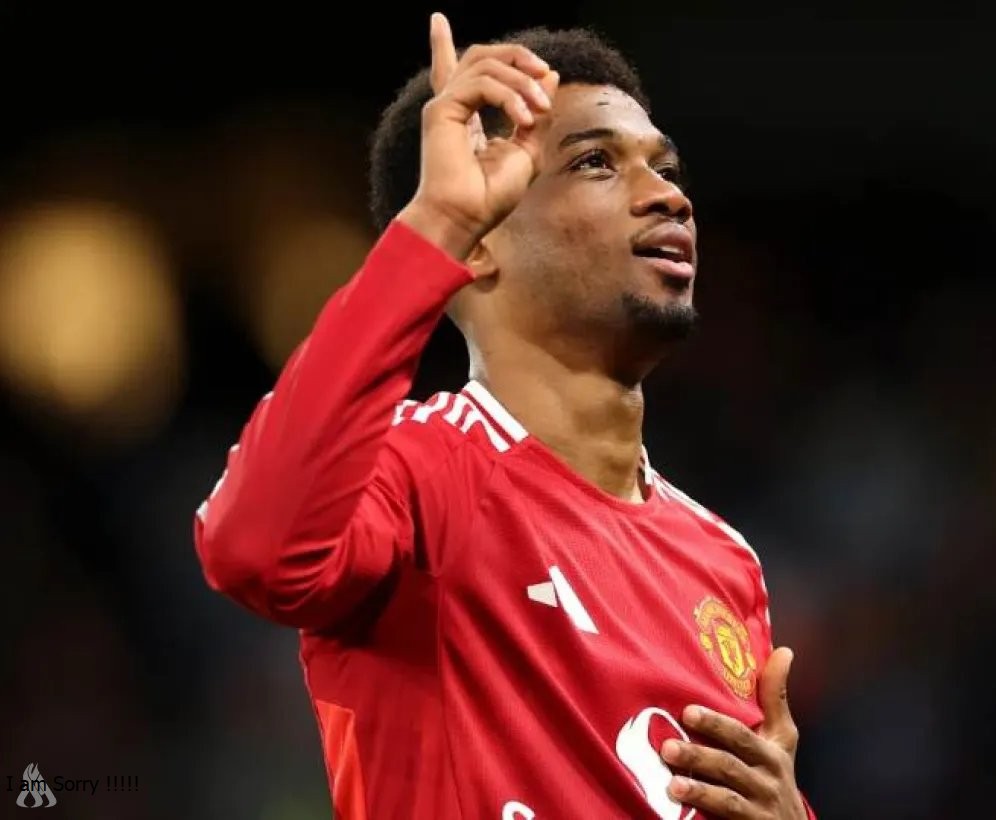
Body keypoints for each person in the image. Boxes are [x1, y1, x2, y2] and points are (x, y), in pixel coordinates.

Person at [193, 12, 815, 819]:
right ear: (480, 243)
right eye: (596, 162)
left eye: (665, 168)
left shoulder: (722, 560)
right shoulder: (420, 472)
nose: (669, 196)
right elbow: (254, 552)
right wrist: (438, 222)